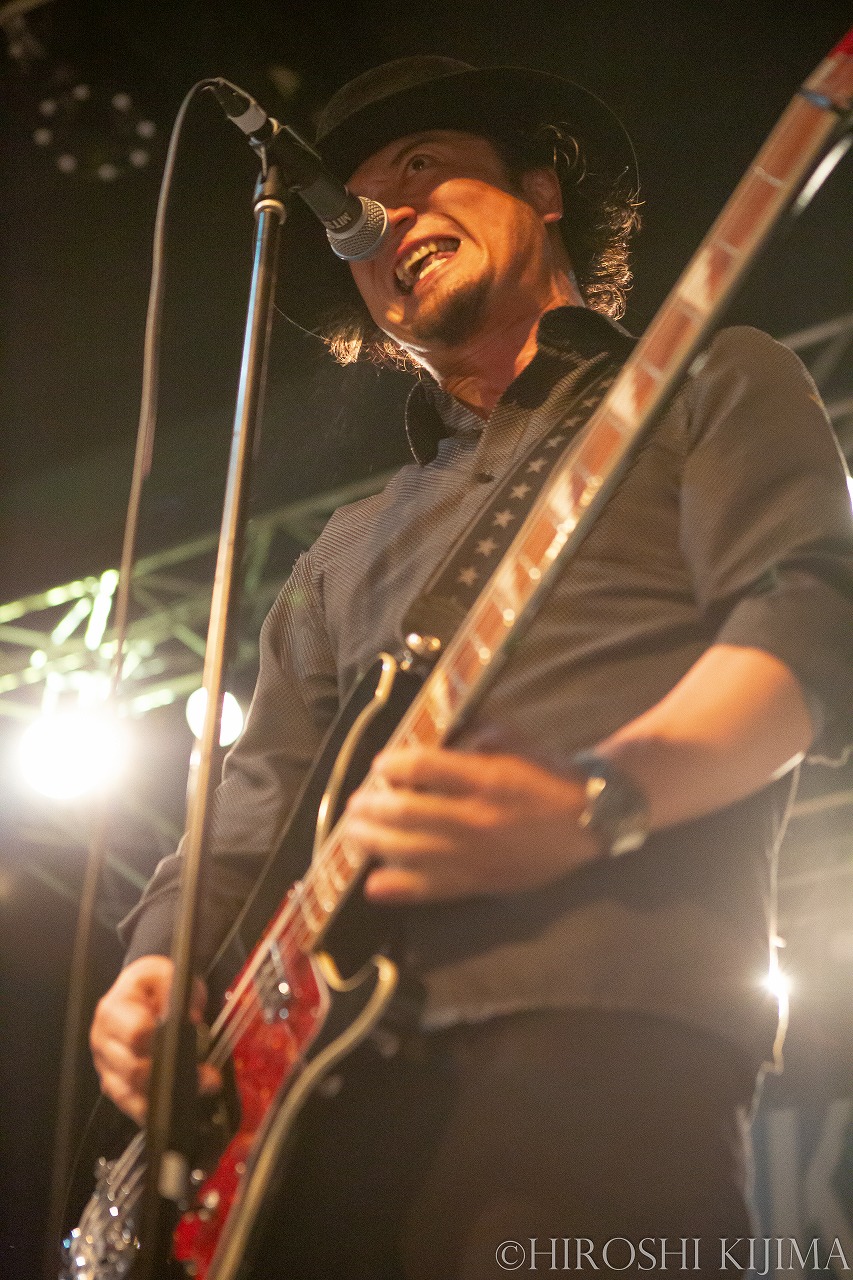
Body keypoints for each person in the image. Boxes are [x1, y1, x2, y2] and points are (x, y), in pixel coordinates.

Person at [90, 57, 853, 1278]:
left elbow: (809, 622)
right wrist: (153, 967)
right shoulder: (343, 549)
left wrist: (599, 796)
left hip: (594, 1035)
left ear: (542, 190)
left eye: (420, 167)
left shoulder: (714, 380)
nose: (381, 214)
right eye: (353, 206)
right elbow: (246, 803)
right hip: (310, 1114)